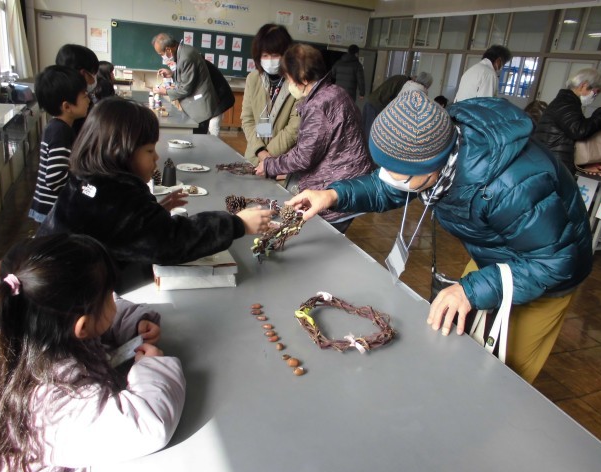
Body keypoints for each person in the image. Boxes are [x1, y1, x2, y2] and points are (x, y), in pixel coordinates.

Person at [286, 90, 593, 383]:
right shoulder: (434, 152)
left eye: (399, 174)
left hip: (546, 272)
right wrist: (334, 195)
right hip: (494, 254)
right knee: (460, 342)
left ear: (433, 166)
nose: (390, 178)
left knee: (505, 369)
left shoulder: (511, 184)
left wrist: (470, 290)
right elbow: (387, 186)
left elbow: (556, 262)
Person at [0, 234, 185, 472]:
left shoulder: (32, 328)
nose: (114, 301)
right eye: (108, 296)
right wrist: (151, 366)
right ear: (81, 326)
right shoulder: (52, 405)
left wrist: (133, 322)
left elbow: (103, 314)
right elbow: (148, 425)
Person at [38, 97, 272, 292]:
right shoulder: (119, 198)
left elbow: (122, 230)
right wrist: (237, 224)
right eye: (149, 150)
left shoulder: (88, 179)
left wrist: (152, 213)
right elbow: (172, 241)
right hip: (67, 298)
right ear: (120, 152)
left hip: (48, 274)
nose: (156, 158)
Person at [255, 44, 373, 233]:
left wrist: (270, 165)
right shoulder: (336, 92)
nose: (288, 84)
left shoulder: (318, 105)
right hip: (351, 181)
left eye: (289, 78)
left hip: (337, 185)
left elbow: (304, 156)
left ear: (303, 79)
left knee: (318, 236)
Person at [28, 65, 90, 223]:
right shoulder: (60, 131)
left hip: (49, 208)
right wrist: (81, 185)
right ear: (67, 106)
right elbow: (55, 178)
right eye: (84, 96)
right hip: (52, 210)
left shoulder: (57, 127)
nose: (88, 100)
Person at [241, 23, 300, 168]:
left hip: (282, 162)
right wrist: (260, 151)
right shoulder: (253, 79)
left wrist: (269, 156)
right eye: (265, 55)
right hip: (254, 157)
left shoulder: (298, 82)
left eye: (275, 55)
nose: (270, 60)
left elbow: (295, 127)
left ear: (286, 54)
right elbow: (247, 119)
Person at [534, 68, 601, 176]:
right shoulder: (566, 104)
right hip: (553, 168)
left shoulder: (567, 103)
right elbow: (579, 131)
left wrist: (584, 165)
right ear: (583, 85)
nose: (595, 97)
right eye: (595, 92)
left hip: (550, 164)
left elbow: (570, 139)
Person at [152, 33, 219, 134]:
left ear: (168, 50)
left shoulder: (186, 57)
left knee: (197, 139)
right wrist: (172, 74)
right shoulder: (183, 51)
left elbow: (185, 89)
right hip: (194, 106)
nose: (163, 57)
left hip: (199, 108)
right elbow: (187, 76)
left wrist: (165, 91)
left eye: (161, 54)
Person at [55, 44, 100, 134]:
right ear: (83, 73)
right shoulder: (76, 105)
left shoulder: (60, 96)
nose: (95, 77)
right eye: (94, 73)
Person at [362, 74, 410, 142]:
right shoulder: (404, 84)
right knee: (370, 133)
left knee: (363, 130)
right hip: (376, 105)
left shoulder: (400, 78)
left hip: (371, 100)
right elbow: (396, 101)